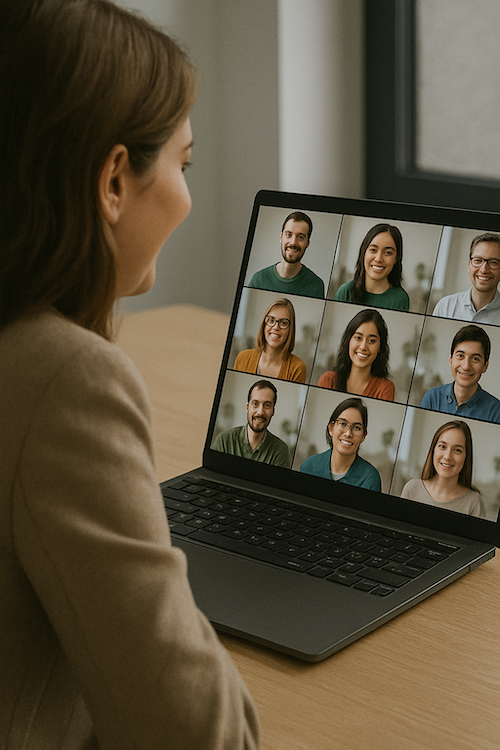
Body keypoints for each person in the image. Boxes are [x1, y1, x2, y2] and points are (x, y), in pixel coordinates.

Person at [0, 2, 260, 749]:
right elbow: (197, 737)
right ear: (114, 179)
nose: (185, 191)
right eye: (184, 161)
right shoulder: (68, 380)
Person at [420, 324, 500, 423]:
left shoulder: (496, 411)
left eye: (475, 359)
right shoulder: (432, 398)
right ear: (450, 360)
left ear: (485, 366)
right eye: (460, 356)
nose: (466, 366)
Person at [401, 421, 482, 517]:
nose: (447, 456)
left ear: (466, 457)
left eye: (457, 450)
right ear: (433, 450)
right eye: (442, 446)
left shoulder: (474, 502)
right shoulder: (412, 488)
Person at [300, 397, 381, 491]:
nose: (348, 433)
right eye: (343, 423)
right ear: (331, 429)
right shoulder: (310, 466)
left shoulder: (370, 478)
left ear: (363, 436)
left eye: (356, 428)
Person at [318, 309, 395, 401]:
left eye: (371, 341)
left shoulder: (385, 388)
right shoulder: (328, 380)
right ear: (348, 341)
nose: (363, 347)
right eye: (358, 338)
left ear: (380, 347)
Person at [212, 380, 290, 467]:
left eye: (267, 405)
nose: (260, 412)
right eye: (255, 404)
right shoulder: (224, 441)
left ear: (273, 411)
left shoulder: (280, 450)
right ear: (247, 407)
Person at [248, 211, 325, 298]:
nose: (293, 242)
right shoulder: (258, 280)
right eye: (288, 235)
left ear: (307, 243)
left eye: (300, 237)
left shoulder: (315, 286)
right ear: (281, 237)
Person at [334, 223, 410, 311]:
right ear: (364, 253)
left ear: (396, 259)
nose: (378, 259)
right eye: (373, 250)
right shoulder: (345, 291)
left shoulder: (400, 298)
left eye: (388, 252)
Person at [433, 232, 500, 325]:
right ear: (469, 265)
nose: (484, 270)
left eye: (493, 262)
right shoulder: (445, 306)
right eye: (478, 260)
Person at [234, 298, 307, 383]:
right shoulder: (242, 358)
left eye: (283, 323)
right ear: (264, 324)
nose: (276, 327)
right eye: (271, 320)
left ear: (290, 330)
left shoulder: (297, 368)